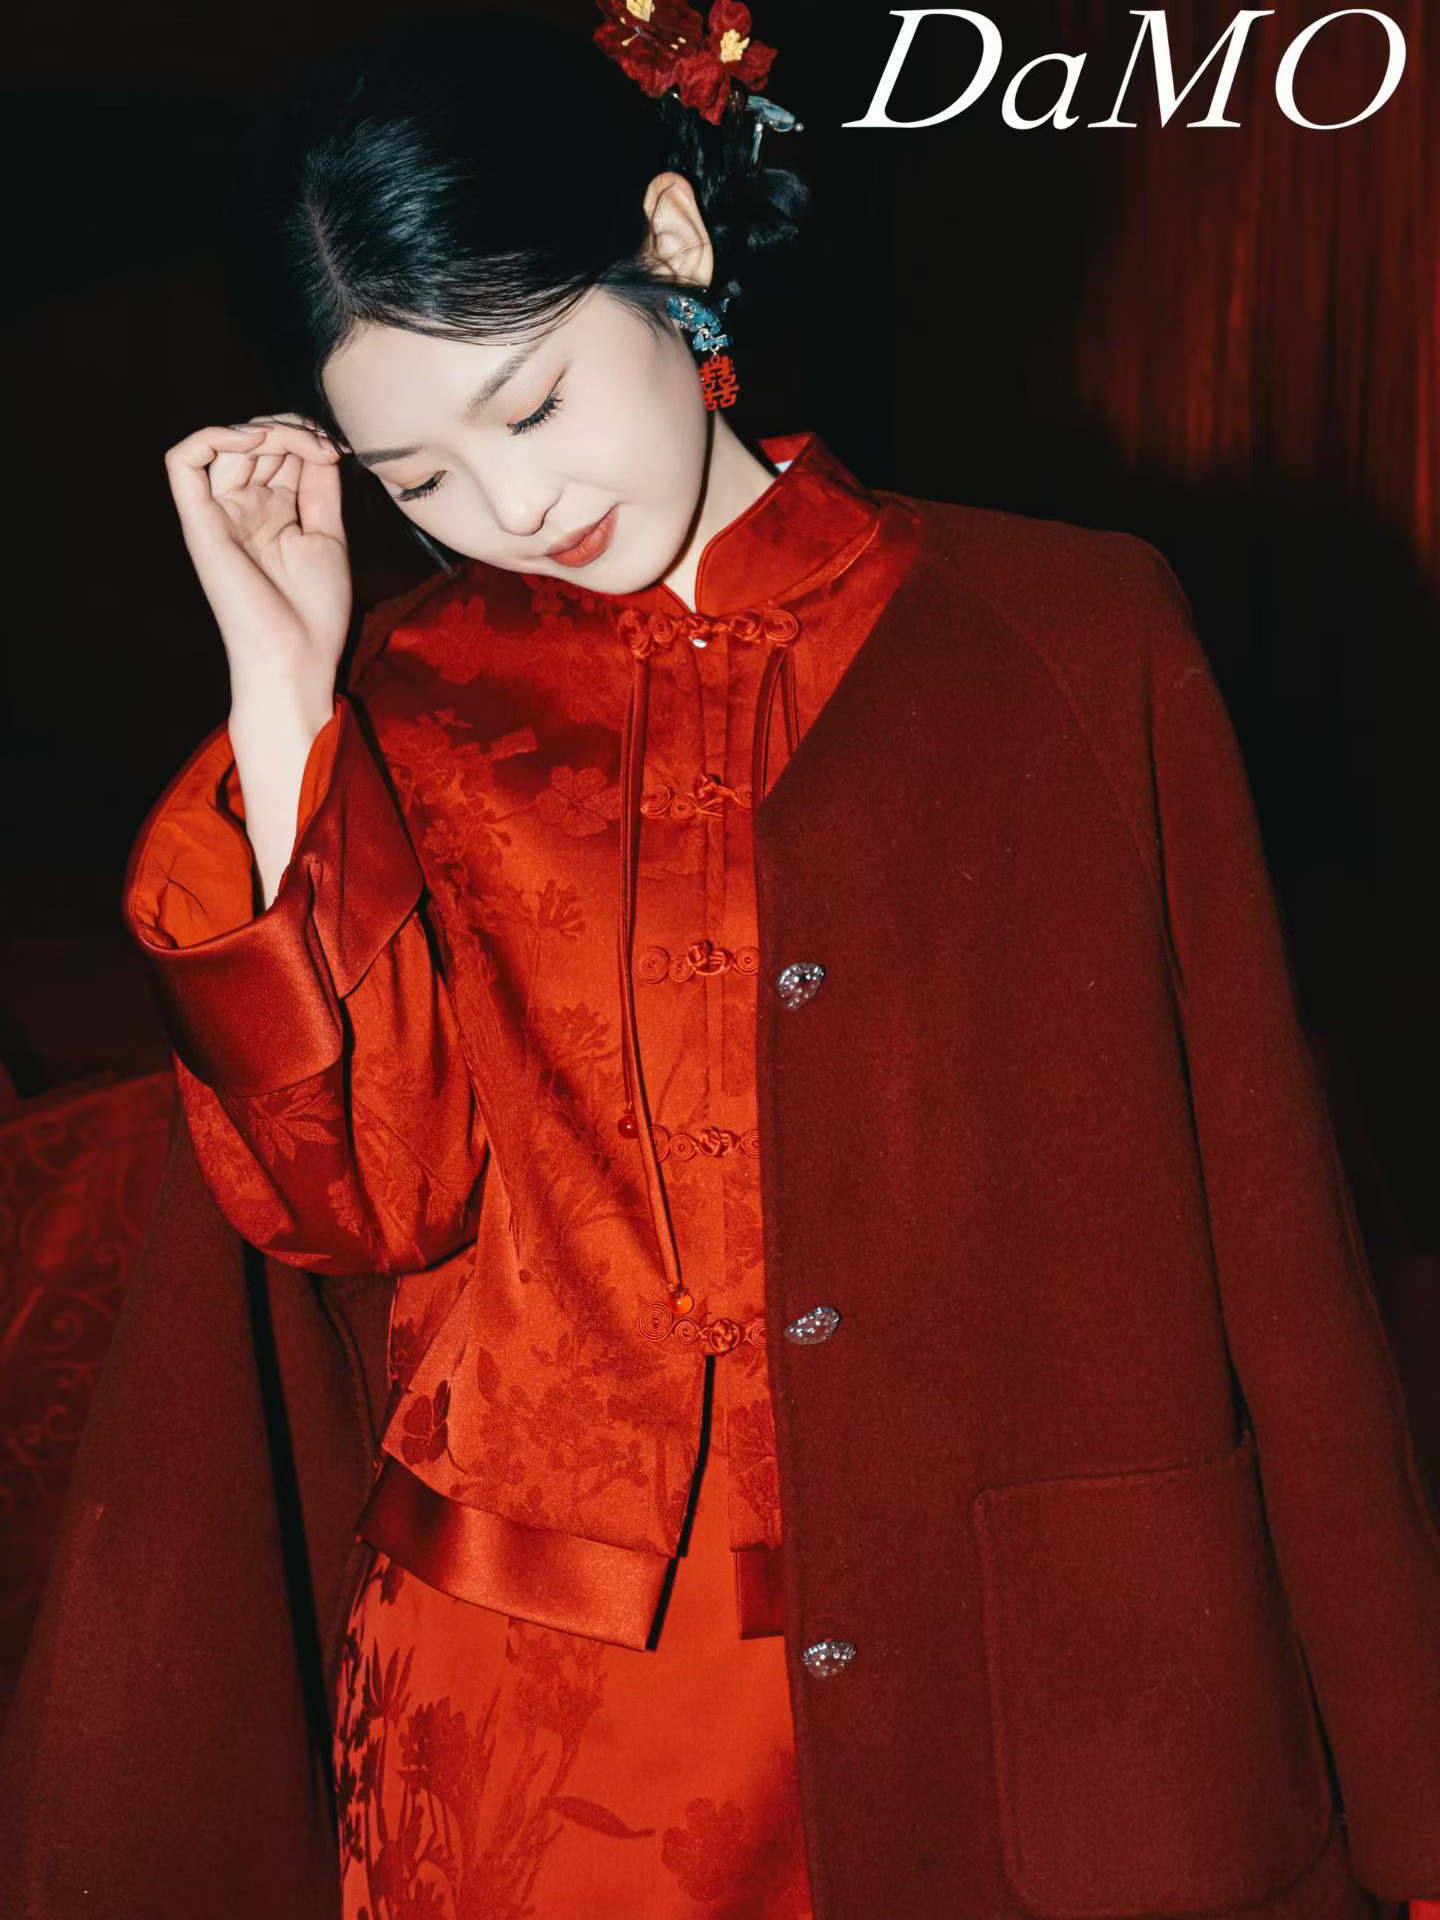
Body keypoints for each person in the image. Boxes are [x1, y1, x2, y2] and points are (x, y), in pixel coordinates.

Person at [87, 5, 1440, 1918]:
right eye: (418, 478)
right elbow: (349, 1206)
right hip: (533, 1757)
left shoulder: (1072, 637)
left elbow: (1278, 1230)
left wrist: (1408, 1777)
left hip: (1020, 1716)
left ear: (672, 239)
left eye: (531, 405)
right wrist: (286, 688)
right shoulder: (408, 707)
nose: (512, 509)